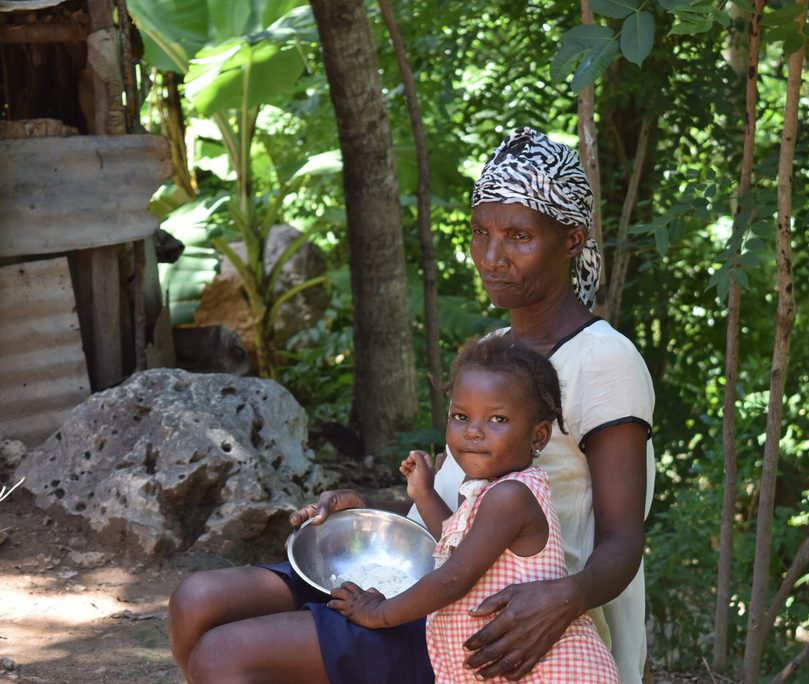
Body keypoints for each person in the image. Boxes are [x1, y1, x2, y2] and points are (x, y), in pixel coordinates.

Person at [167, 126, 655, 684]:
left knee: (222, 656)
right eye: (481, 232)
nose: (492, 256)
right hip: (427, 572)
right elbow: (460, 508)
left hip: (492, 617)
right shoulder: (498, 352)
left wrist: (562, 599)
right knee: (197, 602)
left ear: (571, 240)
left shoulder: (603, 359)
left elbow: (623, 539)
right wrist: (368, 515)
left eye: (518, 236)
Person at [334, 334, 620, 682]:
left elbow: (453, 578)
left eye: (497, 419)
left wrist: (379, 613)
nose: (472, 432)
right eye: (460, 416)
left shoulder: (511, 495)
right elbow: (455, 546)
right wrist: (424, 493)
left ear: (538, 436)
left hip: (558, 673)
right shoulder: (487, 491)